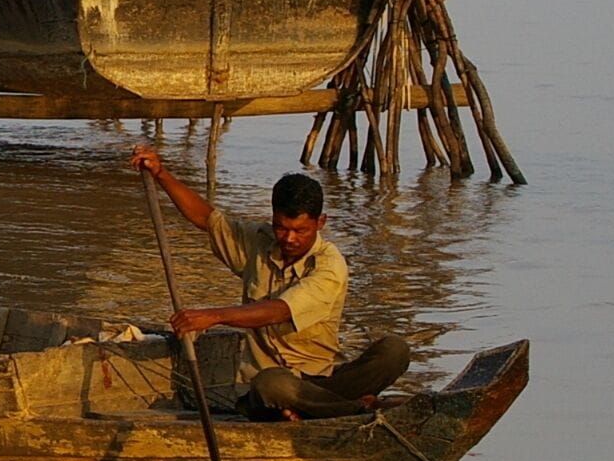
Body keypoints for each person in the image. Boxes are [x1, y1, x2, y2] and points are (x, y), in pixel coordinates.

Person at [130, 143, 409, 420]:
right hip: (268, 389)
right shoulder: (260, 243)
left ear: (320, 222)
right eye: (281, 228)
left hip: (321, 381)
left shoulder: (329, 265)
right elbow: (208, 219)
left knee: (394, 351)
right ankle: (353, 409)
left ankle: (317, 408)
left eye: (300, 230)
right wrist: (161, 173)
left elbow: (279, 310)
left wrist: (213, 316)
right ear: (273, 219)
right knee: (272, 384)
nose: (288, 239)